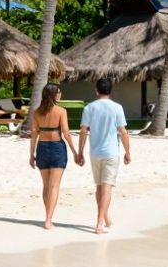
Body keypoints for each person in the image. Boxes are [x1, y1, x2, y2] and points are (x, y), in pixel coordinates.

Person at [76, 78, 131, 234]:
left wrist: (80, 152)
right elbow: (123, 131)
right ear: (110, 91)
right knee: (107, 188)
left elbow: (83, 131)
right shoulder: (117, 108)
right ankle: (99, 223)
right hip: (111, 152)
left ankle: (105, 217)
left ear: (96, 90)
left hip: (95, 152)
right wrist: (128, 152)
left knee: (99, 187)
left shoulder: (89, 108)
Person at [28, 83, 79, 231]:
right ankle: (48, 221)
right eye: (58, 92)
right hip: (57, 147)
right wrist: (75, 152)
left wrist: (31, 155)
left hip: (42, 147)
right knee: (54, 186)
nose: (60, 94)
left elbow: (33, 134)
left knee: (46, 185)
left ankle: (47, 216)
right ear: (52, 95)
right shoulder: (61, 111)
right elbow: (66, 133)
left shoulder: (37, 112)